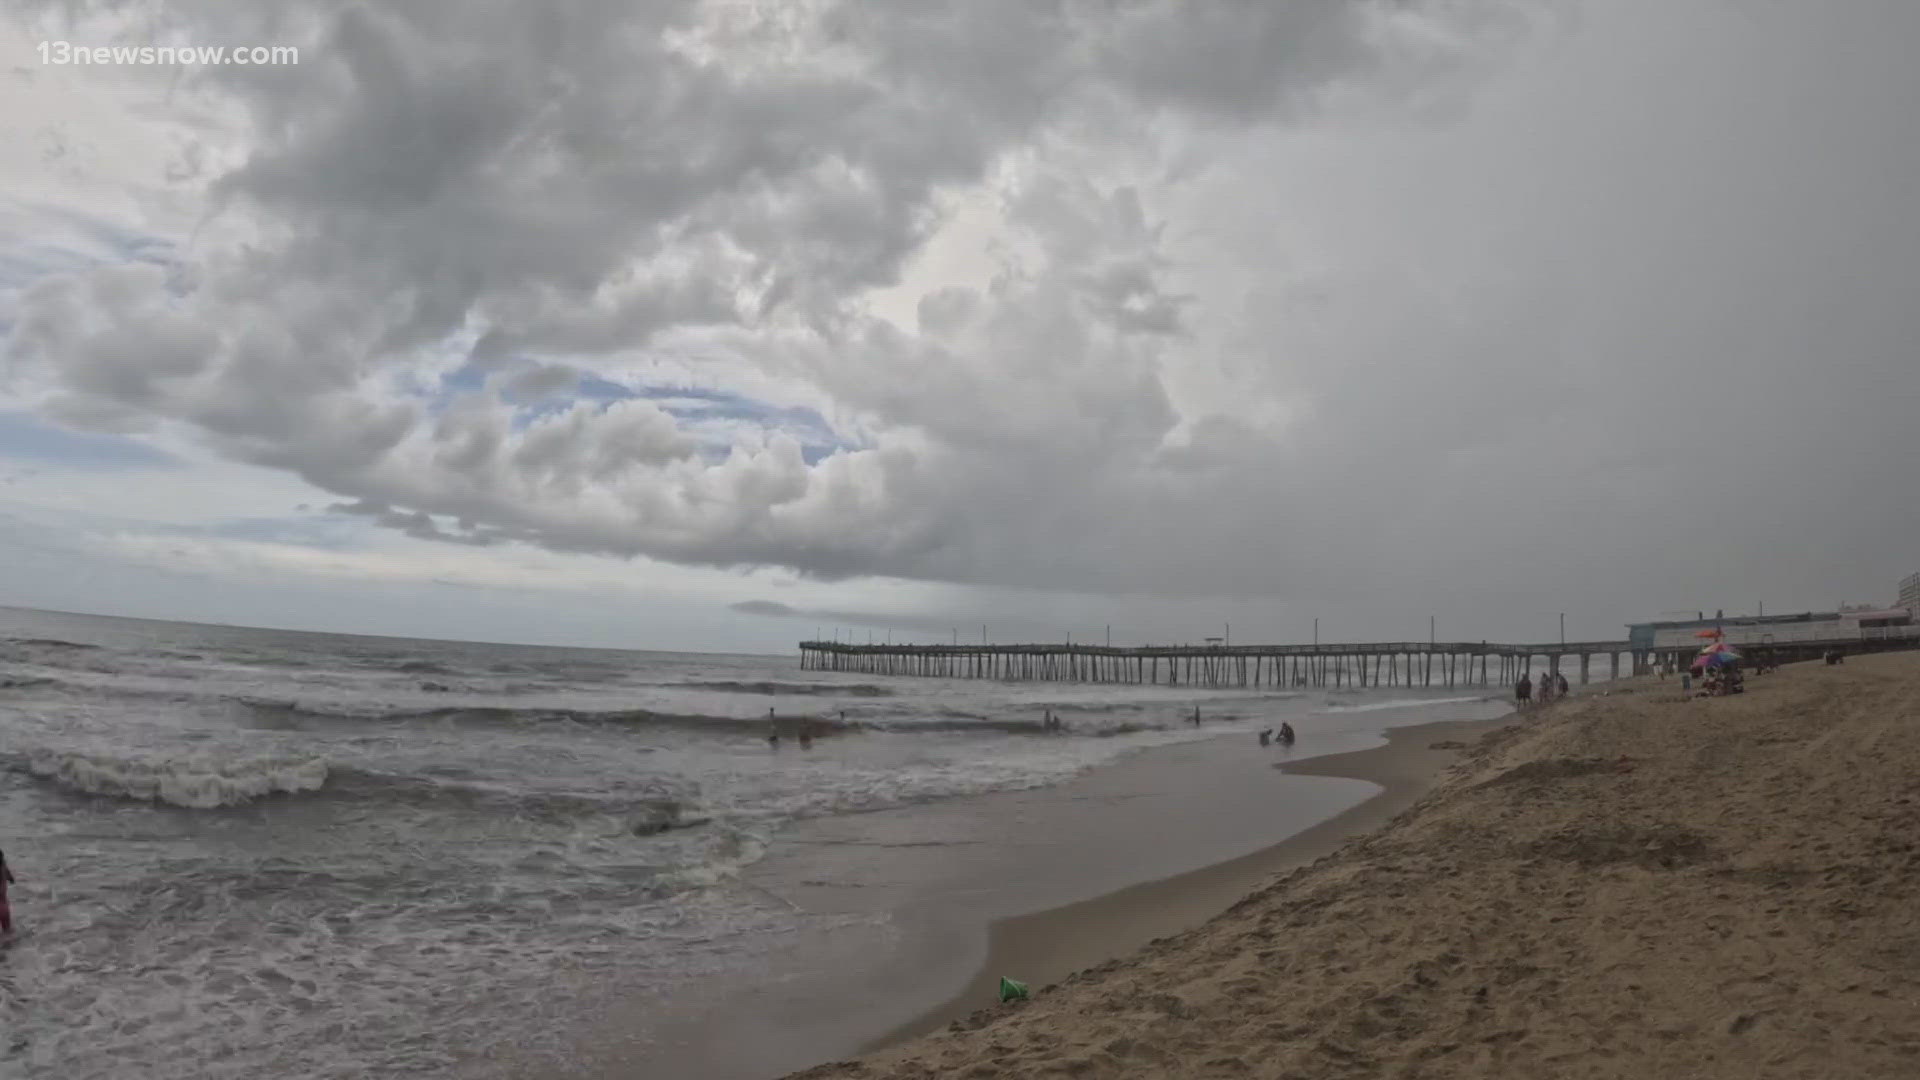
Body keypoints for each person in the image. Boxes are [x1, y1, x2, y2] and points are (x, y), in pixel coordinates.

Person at [1, 847, 15, 935]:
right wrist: (11, 879)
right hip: (4, 908)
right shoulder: (3, 866)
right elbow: (10, 877)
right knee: (7, 931)